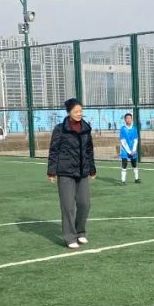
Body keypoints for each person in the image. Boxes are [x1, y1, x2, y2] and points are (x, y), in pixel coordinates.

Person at [48, 98, 97, 249]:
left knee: (84, 204)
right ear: (69, 112)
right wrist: (51, 171)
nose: (79, 114)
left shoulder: (86, 128)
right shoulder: (60, 129)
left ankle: (80, 232)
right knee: (68, 206)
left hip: (82, 172)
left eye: (81, 111)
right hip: (65, 173)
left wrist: (92, 169)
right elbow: (54, 151)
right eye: (76, 111)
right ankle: (70, 237)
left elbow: (89, 150)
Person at [118, 112, 140, 185]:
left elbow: (136, 140)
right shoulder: (123, 129)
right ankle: (123, 181)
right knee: (124, 163)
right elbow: (123, 141)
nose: (128, 119)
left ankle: (136, 179)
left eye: (130, 118)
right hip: (125, 149)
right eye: (127, 118)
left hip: (133, 149)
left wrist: (133, 150)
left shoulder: (134, 128)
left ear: (131, 119)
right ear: (125, 120)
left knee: (134, 163)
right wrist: (128, 151)